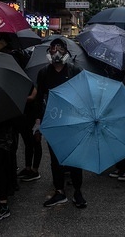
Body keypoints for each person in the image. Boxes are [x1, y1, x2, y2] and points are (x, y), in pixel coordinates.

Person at [35, 37, 87, 208]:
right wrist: (38, 123)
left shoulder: (75, 71)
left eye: (60, 48)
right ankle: (59, 192)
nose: (56, 52)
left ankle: (78, 191)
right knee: (56, 159)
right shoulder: (43, 73)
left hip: (73, 121)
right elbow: (39, 98)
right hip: (53, 121)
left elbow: (84, 96)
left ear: (66, 51)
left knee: (74, 158)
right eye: (52, 48)